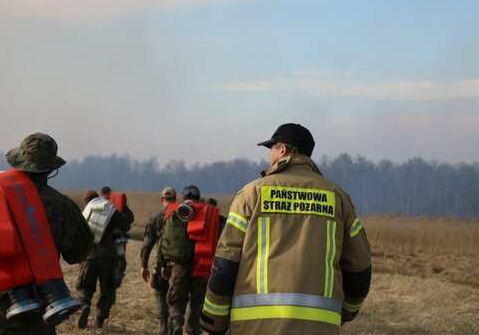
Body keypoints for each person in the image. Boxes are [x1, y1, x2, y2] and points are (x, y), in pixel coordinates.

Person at [200, 123, 372, 335]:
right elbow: (360, 269)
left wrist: (213, 321)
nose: (268, 156)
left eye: (271, 149)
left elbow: (225, 263)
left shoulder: (251, 194)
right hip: (319, 328)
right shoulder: (338, 198)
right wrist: (345, 313)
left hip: (254, 327)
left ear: (283, 150)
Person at [0, 133, 94, 335]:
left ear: (17, 162)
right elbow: (78, 254)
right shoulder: (63, 205)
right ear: (51, 169)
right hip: (40, 316)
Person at [159, 185, 219, 335]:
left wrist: (162, 264)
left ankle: (176, 321)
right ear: (198, 198)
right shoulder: (208, 213)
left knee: (175, 300)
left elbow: (163, 241)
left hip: (178, 266)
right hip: (201, 266)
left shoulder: (174, 213)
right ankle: (192, 329)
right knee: (197, 302)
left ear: (183, 198)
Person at [76, 189, 132, 329]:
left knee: (85, 287)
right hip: (108, 257)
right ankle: (99, 319)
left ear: (85, 201)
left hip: (88, 257)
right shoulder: (109, 209)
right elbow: (126, 224)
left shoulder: (85, 213)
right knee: (107, 289)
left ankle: (84, 305)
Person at [140, 186, 178, 335]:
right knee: (177, 294)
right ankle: (175, 323)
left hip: (161, 263)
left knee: (160, 293)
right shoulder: (183, 216)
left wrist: (144, 265)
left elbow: (147, 245)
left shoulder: (156, 218)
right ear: (175, 199)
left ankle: (163, 325)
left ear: (162, 200)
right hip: (179, 265)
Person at [98, 186, 134, 288]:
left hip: (100, 243)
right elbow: (130, 219)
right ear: (110, 193)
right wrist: (123, 206)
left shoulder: (96, 205)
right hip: (118, 240)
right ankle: (114, 282)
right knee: (119, 262)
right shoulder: (115, 204)